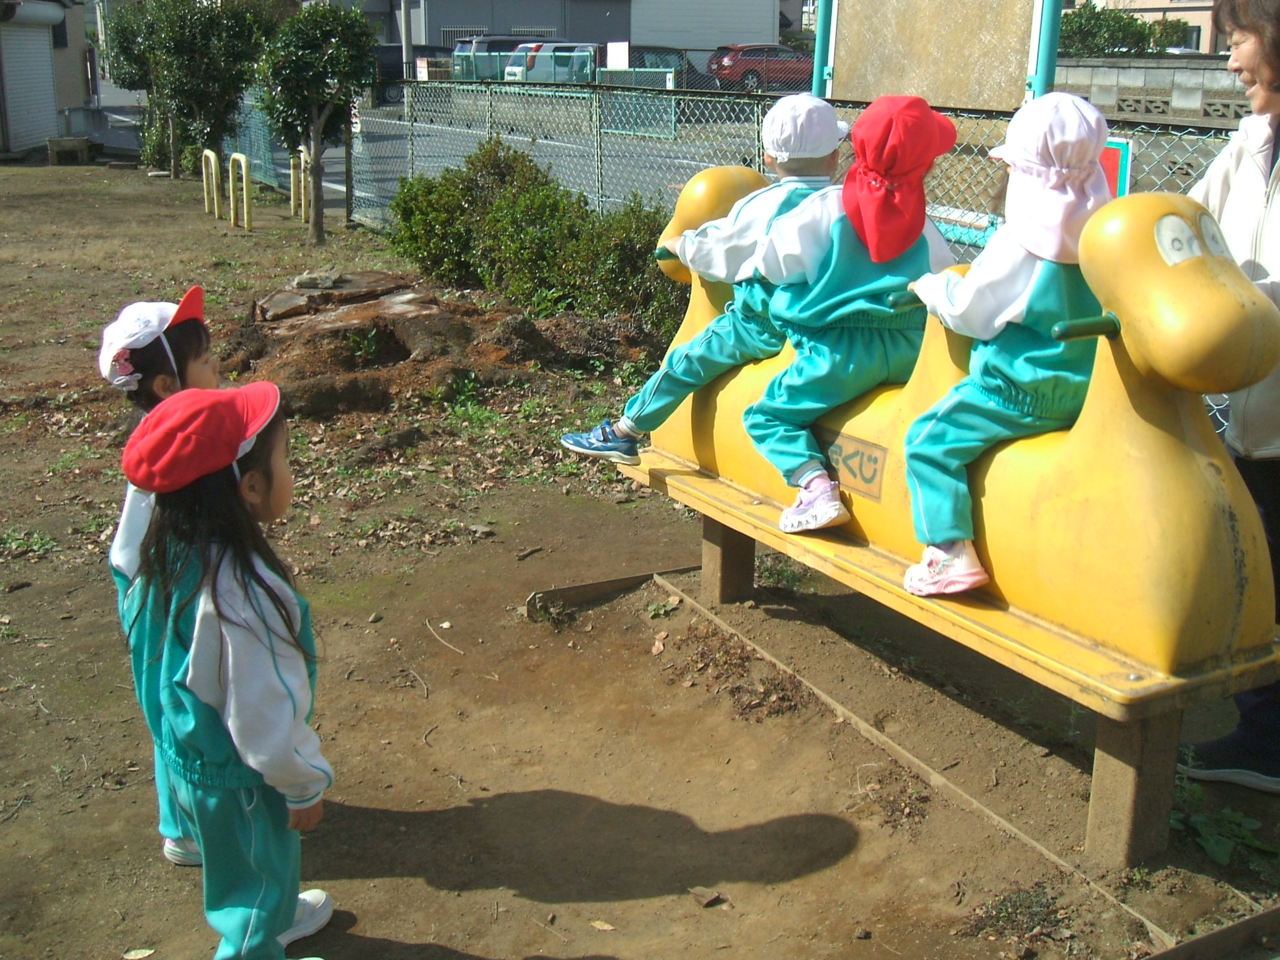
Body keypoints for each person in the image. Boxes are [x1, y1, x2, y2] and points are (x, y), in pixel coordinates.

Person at [119, 382, 335, 959]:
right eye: (286, 459)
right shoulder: (245, 597)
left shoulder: (164, 560)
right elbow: (263, 713)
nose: (292, 472)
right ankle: (254, 941)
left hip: (190, 758)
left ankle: (275, 914)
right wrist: (302, 784)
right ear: (252, 486)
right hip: (242, 779)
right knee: (253, 889)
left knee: (242, 870)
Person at [559, 93, 849, 464]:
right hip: (826, 323)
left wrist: (681, 246)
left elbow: (720, 251)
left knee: (685, 360)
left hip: (760, 325)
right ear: (834, 156)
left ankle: (625, 431)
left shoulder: (761, 204)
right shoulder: (844, 202)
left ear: (768, 157)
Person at [901, 92, 1110, 595]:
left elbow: (970, 311)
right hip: (1088, 390)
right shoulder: (1105, 233)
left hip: (1015, 393)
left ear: (1028, 174)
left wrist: (932, 288)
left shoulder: (1021, 242)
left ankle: (948, 552)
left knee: (925, 442)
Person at [737, 95, 957, 532]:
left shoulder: (822, 208)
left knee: (766, 416)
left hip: (838, 355)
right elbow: (944, 275)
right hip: (909, 348)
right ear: (926, 166)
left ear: (852, 149)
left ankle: (815, 487)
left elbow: (775, 265)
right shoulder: (924, 225)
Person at [1178, 0, 1280, 794]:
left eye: (1239, 38)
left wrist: (1243, 304)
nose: (1230, 58)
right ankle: (1263, 735)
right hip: (1255, 412)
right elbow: (1183, 228)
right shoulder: (1248, 147)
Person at [98, 284, 220, 866]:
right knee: (183, 704)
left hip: (157, 583)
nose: (219, 370)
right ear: (168, 386)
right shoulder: (179, 448)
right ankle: (197, 831)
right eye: (208, 361)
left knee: (174, 703)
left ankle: (185, 819)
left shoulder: (166, 432)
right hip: (164, 590)